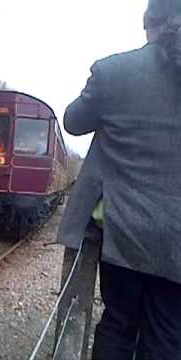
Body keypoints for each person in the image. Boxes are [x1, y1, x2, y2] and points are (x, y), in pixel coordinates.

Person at [57, 1, 181, 359]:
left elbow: (73, 122)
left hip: (124, 232)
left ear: (149, 24)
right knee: (169, 335)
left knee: (118, 325)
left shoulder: (115, 71)